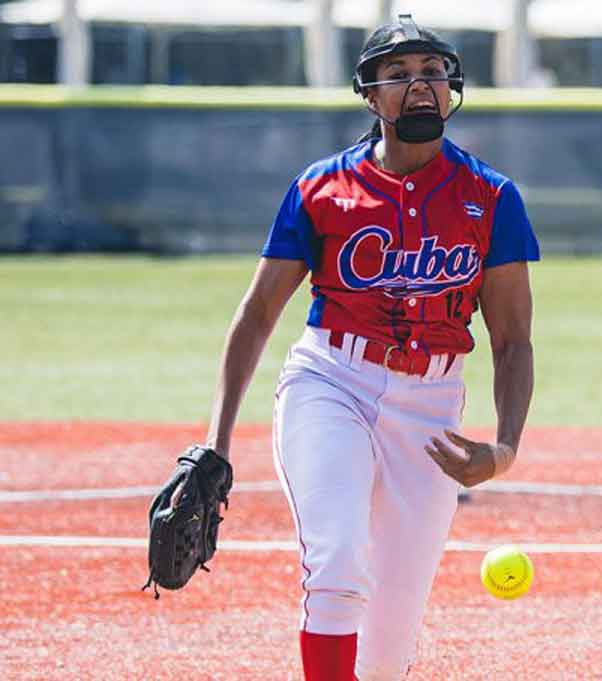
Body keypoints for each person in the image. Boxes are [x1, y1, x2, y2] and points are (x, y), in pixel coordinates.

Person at [194, 14, 539, 681]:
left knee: (386, 649)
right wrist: (217, 439)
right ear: (370, 94)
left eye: (433, 72)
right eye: (399, 74)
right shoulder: (322, 189)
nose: (420, 86)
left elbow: (513, 337)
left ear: (452, 87)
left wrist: (504, 446)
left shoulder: (492, 197)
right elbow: (258, 312)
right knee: (339, 558)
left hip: (433, 409)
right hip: (332, 382)